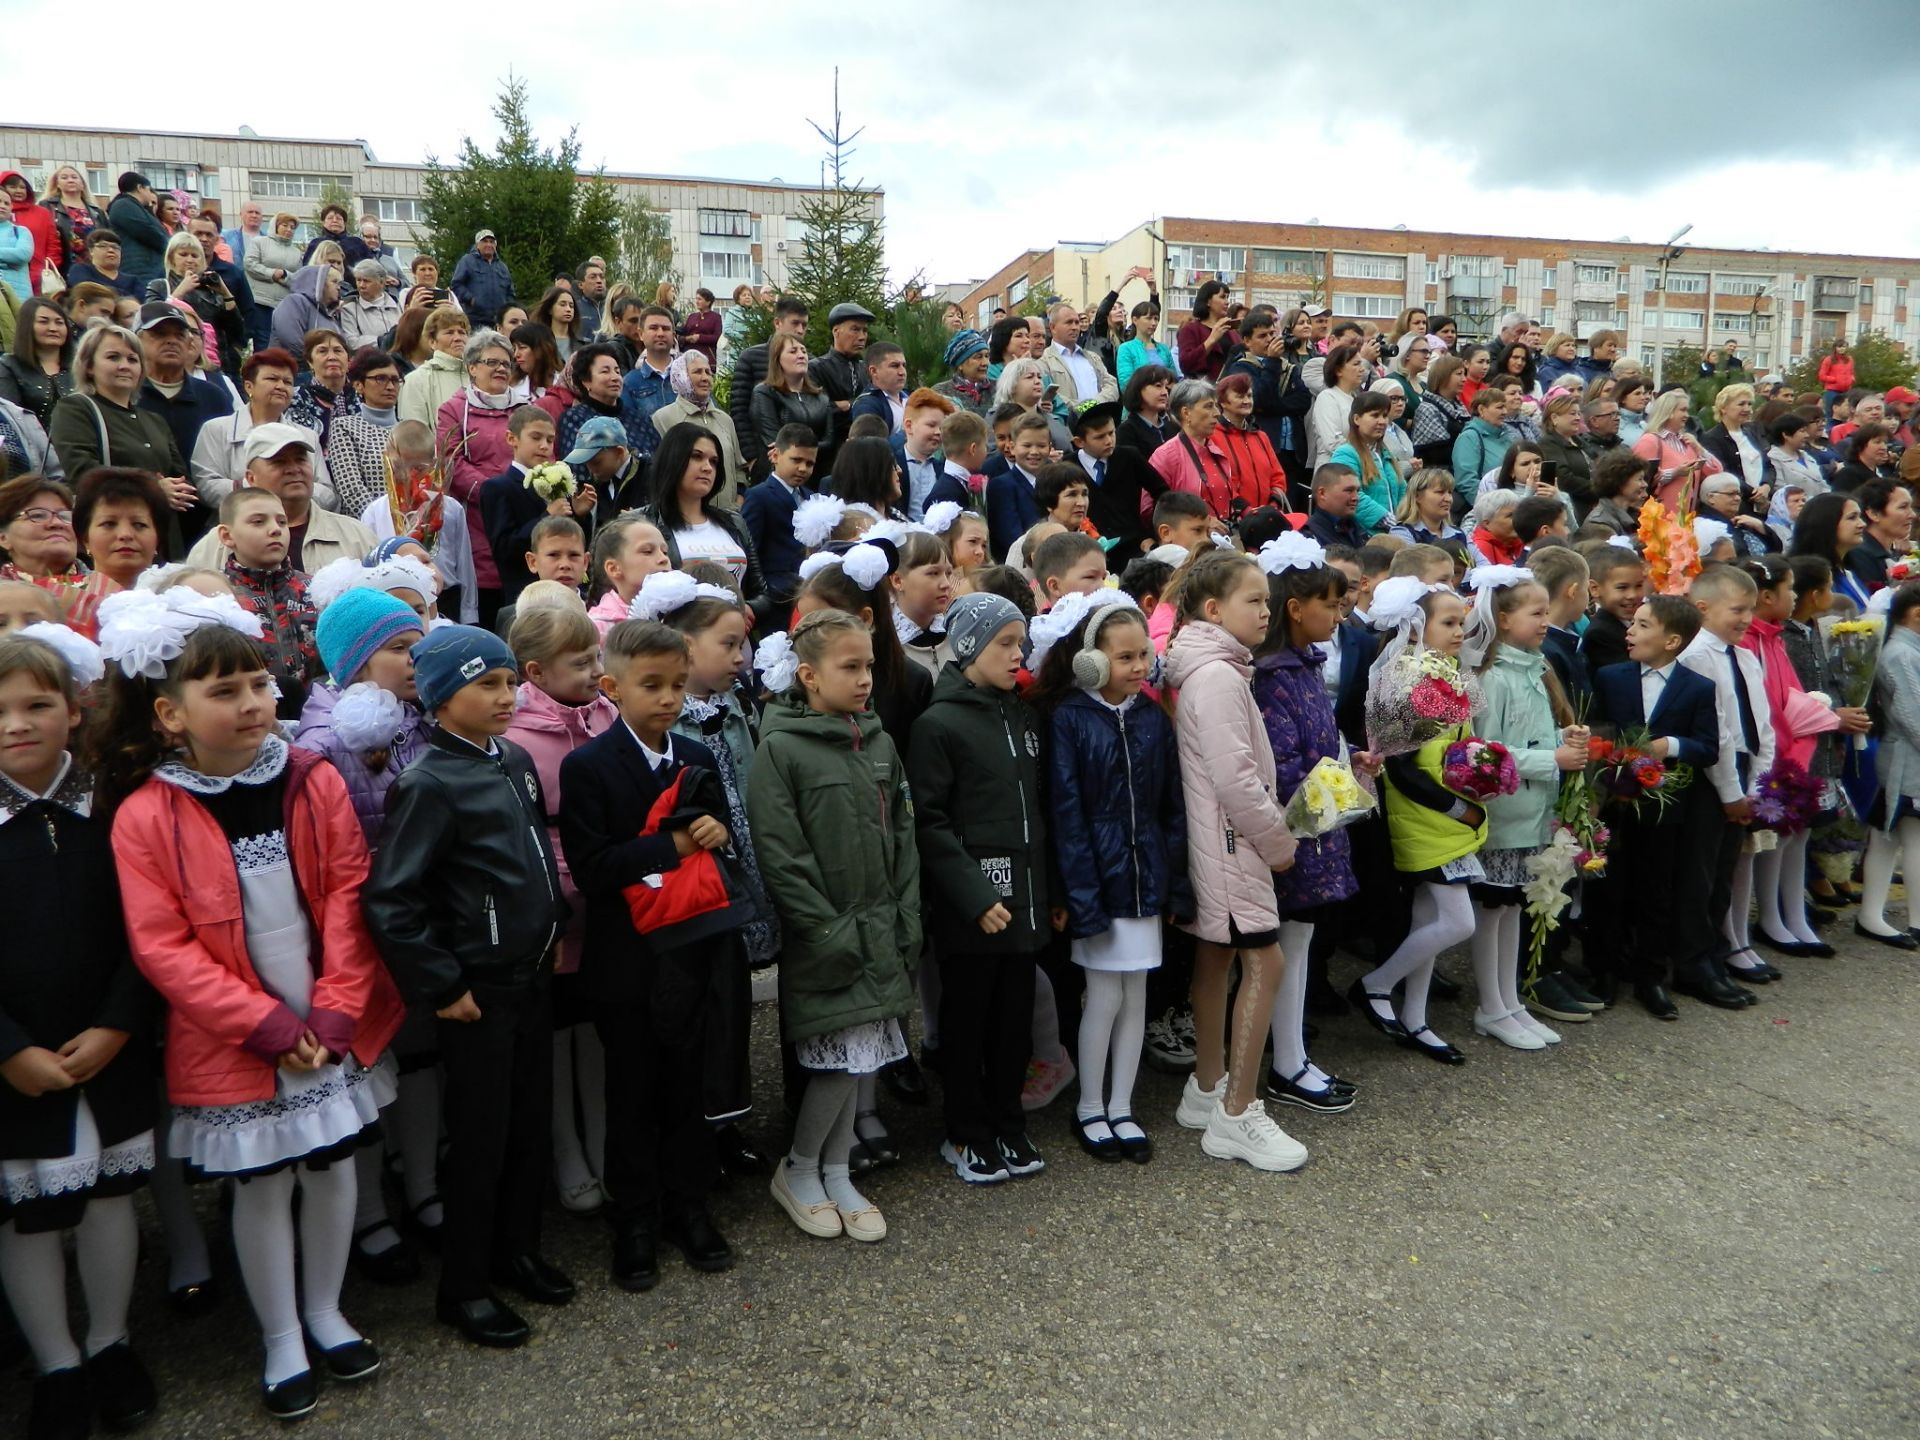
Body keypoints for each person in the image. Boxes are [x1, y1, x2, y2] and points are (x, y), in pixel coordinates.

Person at [96, 591, 403, 1419]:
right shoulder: (146, 814)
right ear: (170, 714)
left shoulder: (311, 777)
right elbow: (163, 946)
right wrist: (265, 1024)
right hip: (238, 1033)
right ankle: (279, 1335)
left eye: (260, 685)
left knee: (334, 1165)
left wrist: (335, 1010)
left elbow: (346, 892)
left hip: (327, 1017)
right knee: (264, 1184)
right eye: (224, 692)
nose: (251, 705)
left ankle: (325, 1309)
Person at [361, 625, 575, 1349]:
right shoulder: (427, 782)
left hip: (531, 975)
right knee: (480, 1141)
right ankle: (464, 1285)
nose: (506, 697)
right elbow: (393, 899)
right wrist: (442, 982)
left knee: (526, 1128)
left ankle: (517, 1250)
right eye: (487, 685)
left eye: (511, 683)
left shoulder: (513, 760)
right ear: (445, 696)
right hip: (477, 990)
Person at [0, 627, 162, 1439]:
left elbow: (150, 928)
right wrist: (6, 1050)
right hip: (16, 1062)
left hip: (108, 1041)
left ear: (74, 710)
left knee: (107, 1199)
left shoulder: (111, 805)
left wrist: (118, 1024)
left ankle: (109, 1340)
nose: (15, 725)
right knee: (27, 1213)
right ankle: (55, 1359)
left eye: (36, 705)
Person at [749, 608, 920, 1237]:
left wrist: (906, 912)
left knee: (862, 1056)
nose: (865, 679)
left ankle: (837, 1169)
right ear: (809, 676)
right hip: (832, 936)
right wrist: (827, 929)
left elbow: (903, 831)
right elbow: (782, 853)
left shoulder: (876, 739)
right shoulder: (782, 749)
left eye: (869, 665)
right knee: (836, 1060)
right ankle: (799, 1168)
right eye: (850, 667)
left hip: (881, 928)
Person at [1156, 547, 1305, 1169]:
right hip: (1232, 844)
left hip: (1221, 841)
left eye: (1267, 601)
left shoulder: (1214, 668)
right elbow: (1236, 781)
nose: (1265, 612)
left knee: (1217, 957)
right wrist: (1279, 842)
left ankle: (1208, 1087)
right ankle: (1237, 1114)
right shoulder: (1217, 676)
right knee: (1264, 964)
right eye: (1254, 600)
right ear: (1214, 609)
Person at [494, 604, 617, 1222]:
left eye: (597, 657)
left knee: (595, 1030)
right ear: (535, 671)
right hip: (555, 899)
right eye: (581, 662)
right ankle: (567, 1153)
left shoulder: (605, 714)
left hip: (608, 893)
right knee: (557, 1034)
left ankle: (601, 1146)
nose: (596, 671)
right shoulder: (516, 734)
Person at [1240, 537, 1370, 1112]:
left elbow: (1320, 742)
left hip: (1316, 827)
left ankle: (1293, 1057)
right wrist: (1336, 788)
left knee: (1301, 942)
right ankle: (1286, 1063)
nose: (1339, 617)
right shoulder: (1272, 675)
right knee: (1286, 948)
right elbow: (1284, 767)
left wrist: (1351, 761)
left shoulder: (1304, 666)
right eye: (1330, 605)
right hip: (1293, 832)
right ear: (1295, 608)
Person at [1350, 578, 1480, 1062]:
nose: (1459, 631)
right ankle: (1375, 984)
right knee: (1458, 921)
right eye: (1448, 623)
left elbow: (1453, 746)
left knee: (1428, 918)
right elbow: (1402, 765)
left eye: (1461, 622)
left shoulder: (1442, 672)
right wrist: (1457, 806)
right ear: (1415, 627)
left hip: (1443, 817)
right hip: (1424, 817)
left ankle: (1416, 1017)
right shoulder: (1410, 678)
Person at [1459, 566, 1588, 1049]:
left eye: (1546, 611)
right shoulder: (1492, 678)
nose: (1544, 620)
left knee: (1513, 908)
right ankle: (1490, 1005)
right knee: (1494, 907)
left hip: (1532, 809)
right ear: (1504, 618)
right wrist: (1550, 757)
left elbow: (1528, 737)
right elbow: (1487, 751)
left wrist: (1563, 738)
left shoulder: (1534, 667)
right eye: (1535, 612)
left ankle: (1510, 1001)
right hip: (1505, 812)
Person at [1588, 596, 1722, 1016]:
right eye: (1633, 623)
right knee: (1608, 889)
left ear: (1672, 640)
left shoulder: (1698, 687)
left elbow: (1708, 747)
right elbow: (1597, 728)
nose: (1630, 631)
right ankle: (1603, 971)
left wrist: (1671, 746)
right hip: (1614, 801)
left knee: (1657, 890)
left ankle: (1650, 976)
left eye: (1643, 625)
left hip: (1665, 806)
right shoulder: (1611, 677)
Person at [46, 323, 192, 551]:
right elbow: (82, 472)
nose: (125, 366)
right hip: (111, 539)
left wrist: (180, 490)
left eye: (133, 360)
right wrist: (154, 487)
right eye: (113, 357)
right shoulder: (74, 408)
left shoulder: (154, 420)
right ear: (89, 366)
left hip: (163, 541)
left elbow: (180, 477)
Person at [185, 423, 375, 575]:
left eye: (301, 460)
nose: (294, 469)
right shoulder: (215, 546)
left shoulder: (356, 537)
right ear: (251, 478)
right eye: (279, 461)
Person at [190, 348, 333, 510]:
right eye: (272, 379)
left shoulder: (308, 435)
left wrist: (292, 494)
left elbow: (327, 492)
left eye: (288, 382)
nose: (281, 386)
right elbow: (205, 485)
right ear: (249, 387)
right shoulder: (216, 429)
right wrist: (257, 487)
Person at [651, 350, 748, 504]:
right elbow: (660, 473)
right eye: (697, 372)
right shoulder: (662, 418)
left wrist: (738, 502)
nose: (705, 378)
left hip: (728, 517)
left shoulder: (725, 419)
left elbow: (738, 468)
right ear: (681, 376)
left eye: (708, 372)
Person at [726, 296, 808, 443]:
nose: (800, 330)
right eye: (795, 323)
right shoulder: (751, 357)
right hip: (762, 450)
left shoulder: (809, 361)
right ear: (777, 323)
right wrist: (750, 456)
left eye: (804, 325)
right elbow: (739, 410)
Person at [749, 333, 832, 476]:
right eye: (793, 351)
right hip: (777, 478)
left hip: (816, 476)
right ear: (777, 359)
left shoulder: (821, 398)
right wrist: (812, 448)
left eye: (803, 351)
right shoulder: (765, 393)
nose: (801, 355)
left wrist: (797, 449)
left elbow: (830, 441)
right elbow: (775, 443)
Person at [1633, 390, 1723, 510]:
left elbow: (1717, 472)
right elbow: (1639, 481)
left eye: (1687, 410)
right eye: (1682, 410)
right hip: (1657, 518)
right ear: (1668, 411)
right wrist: (1675, 472)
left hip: (1686, 519)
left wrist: (1699, 448)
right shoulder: (1650, 441)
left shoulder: (1688, 443)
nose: (1687, 415)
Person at [1329, 390, 1403, 534]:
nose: (1382, 421)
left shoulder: (1386, 455)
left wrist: (1406, 521)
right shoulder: (1345, 453)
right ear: (1356, 419)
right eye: (1375, 415)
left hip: (1393, 534)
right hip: (1363, 538)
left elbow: (1402, 491)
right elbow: (1352, 497)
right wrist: (1390, 521)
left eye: (1385, 416)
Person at [35, 166, 109, 280]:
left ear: (82, 183)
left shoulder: (97, 212)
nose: (70, 180)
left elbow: (108, 239)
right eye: (64, 178)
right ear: (57, 184)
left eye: (74, 177)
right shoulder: (46, 206)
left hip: (94, 267)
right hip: (63, 267)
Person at [103, 174, 168, 293]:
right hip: (138, 270)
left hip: (150, 269)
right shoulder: (123, 205)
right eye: (148, 189)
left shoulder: (137, 207)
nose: (150, 194)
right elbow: (148, 232)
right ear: (140, 188)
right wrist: (168, 244)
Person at [1308, 342, 1365, 470]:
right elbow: (1332, 442)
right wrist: (1363, 454)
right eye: (1356, 364)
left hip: (1359, 467)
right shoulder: (1327, 397)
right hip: (1333, 469)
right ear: (1338, 370)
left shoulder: (1357, 399)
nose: (1362, 369)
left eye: (1361, 364)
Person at [449, 230, 516, 329]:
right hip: (475, 320)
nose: (489, 244)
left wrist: (507, 309)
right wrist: (471, 300)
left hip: (499, 321)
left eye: (491, 242)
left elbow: (510, 292)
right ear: (477, 245)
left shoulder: (502, 267)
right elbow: (456, 285)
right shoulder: (467, 261)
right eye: (484, 241)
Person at [1176, 280, 1237, 384]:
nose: (1227, 302)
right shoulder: (1190, 330)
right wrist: (1211, 340)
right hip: (1203, 391)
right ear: (1208, 301)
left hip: (1231, 390)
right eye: (1222, 297)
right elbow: (1186, 364)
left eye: (1228, 297)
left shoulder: (1231, 331)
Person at [338, 261, 400, 353]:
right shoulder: (349, 309)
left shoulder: (397, 305)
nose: (361, 285)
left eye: (366, 281)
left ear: (382, 282)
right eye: (358, 280)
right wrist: (381, 341)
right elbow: (352, 343)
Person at [1818, 340, 1854, 423]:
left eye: (1844, 347)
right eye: (1839, 347)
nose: (1842, 349)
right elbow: (1822, 375)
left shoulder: (1849, 359)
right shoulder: (1829, 359)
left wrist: (1852, 379)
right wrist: (1834, 379)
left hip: (1846, 391)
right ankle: (1829, 431)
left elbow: (1851, 372)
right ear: (1835, 348)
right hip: (1832, 390)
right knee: (1830, 413)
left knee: (1845, 413)